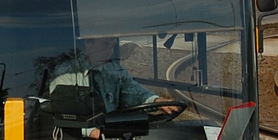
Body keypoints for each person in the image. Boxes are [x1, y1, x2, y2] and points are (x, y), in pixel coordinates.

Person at [50, 36, 182, 119]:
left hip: (112, 138)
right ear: (88, 43)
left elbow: (135, 92)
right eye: (105, 45)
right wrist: (91, 131)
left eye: (112, 46)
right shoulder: (66, 73)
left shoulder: (114, 71)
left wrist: (156, 101)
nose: (110, 51)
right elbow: (64, 115)